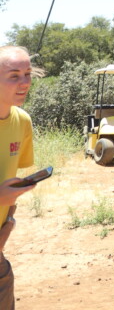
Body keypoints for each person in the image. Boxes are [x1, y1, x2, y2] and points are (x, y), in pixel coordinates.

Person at [0, 45, 38, 310]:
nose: (24, 83)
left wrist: (8, 224)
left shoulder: (22, 121)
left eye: (27, 73)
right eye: (14, 75)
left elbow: (11, 180)